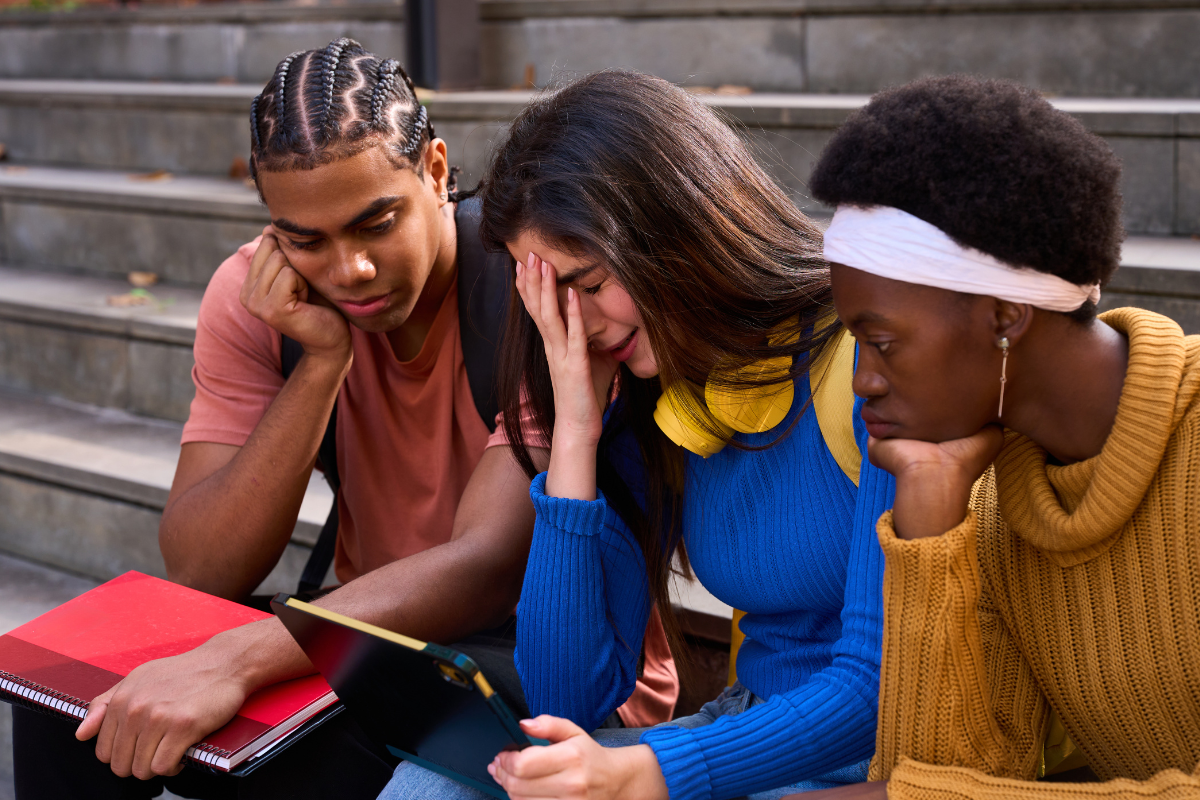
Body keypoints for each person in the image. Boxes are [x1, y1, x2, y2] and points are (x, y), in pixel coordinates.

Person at [11, 41, 674, 800]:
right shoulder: (258, 298)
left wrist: (238, 659)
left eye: (375, 223)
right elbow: (202, 569)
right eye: (305, 239)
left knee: (317, 758)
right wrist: (320, 366)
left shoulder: (526, 281)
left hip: (546, 657)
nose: (347, 269)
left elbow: (488, 566)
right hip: (352, 643)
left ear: (433, 171)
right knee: (69, 701)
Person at [378, 70, 898, 800]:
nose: (576, 326)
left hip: (876, 755)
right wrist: (575, 437)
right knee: (432, 786)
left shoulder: (869, 363)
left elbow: (875, 684)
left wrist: (654, 768)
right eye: (551, 300)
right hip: (744, 736)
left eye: (588, 287)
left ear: (677, 231)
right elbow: (567, 700)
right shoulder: (656, 401)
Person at [795, 74, 1200, 800]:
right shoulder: (989, 500)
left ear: (1006, 316)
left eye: (882, 342)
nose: (863, 383)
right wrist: (927, 533)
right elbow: (940, 775)